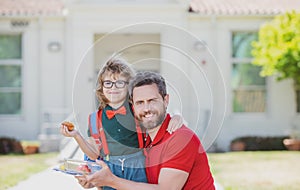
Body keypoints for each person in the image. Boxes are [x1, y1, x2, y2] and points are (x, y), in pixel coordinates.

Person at [75, 71, 215, 190]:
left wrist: (110, 180)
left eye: (152, 100)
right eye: (140, 103)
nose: (147, 108)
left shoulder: (180, 138)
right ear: (133, 107)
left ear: (166, 100)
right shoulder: (146, 140)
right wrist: (94, 180)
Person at [60, 58, 183, 189]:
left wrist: (176, 117)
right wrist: (76, 136)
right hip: (110, 169)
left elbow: (157, 119)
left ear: (129, 86)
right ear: (101, 87)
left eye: (120, 83)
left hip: (138, 168)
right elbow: (93, 154)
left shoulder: (138, 109)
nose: (113, 87)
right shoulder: (94, 119)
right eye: (108, 83)